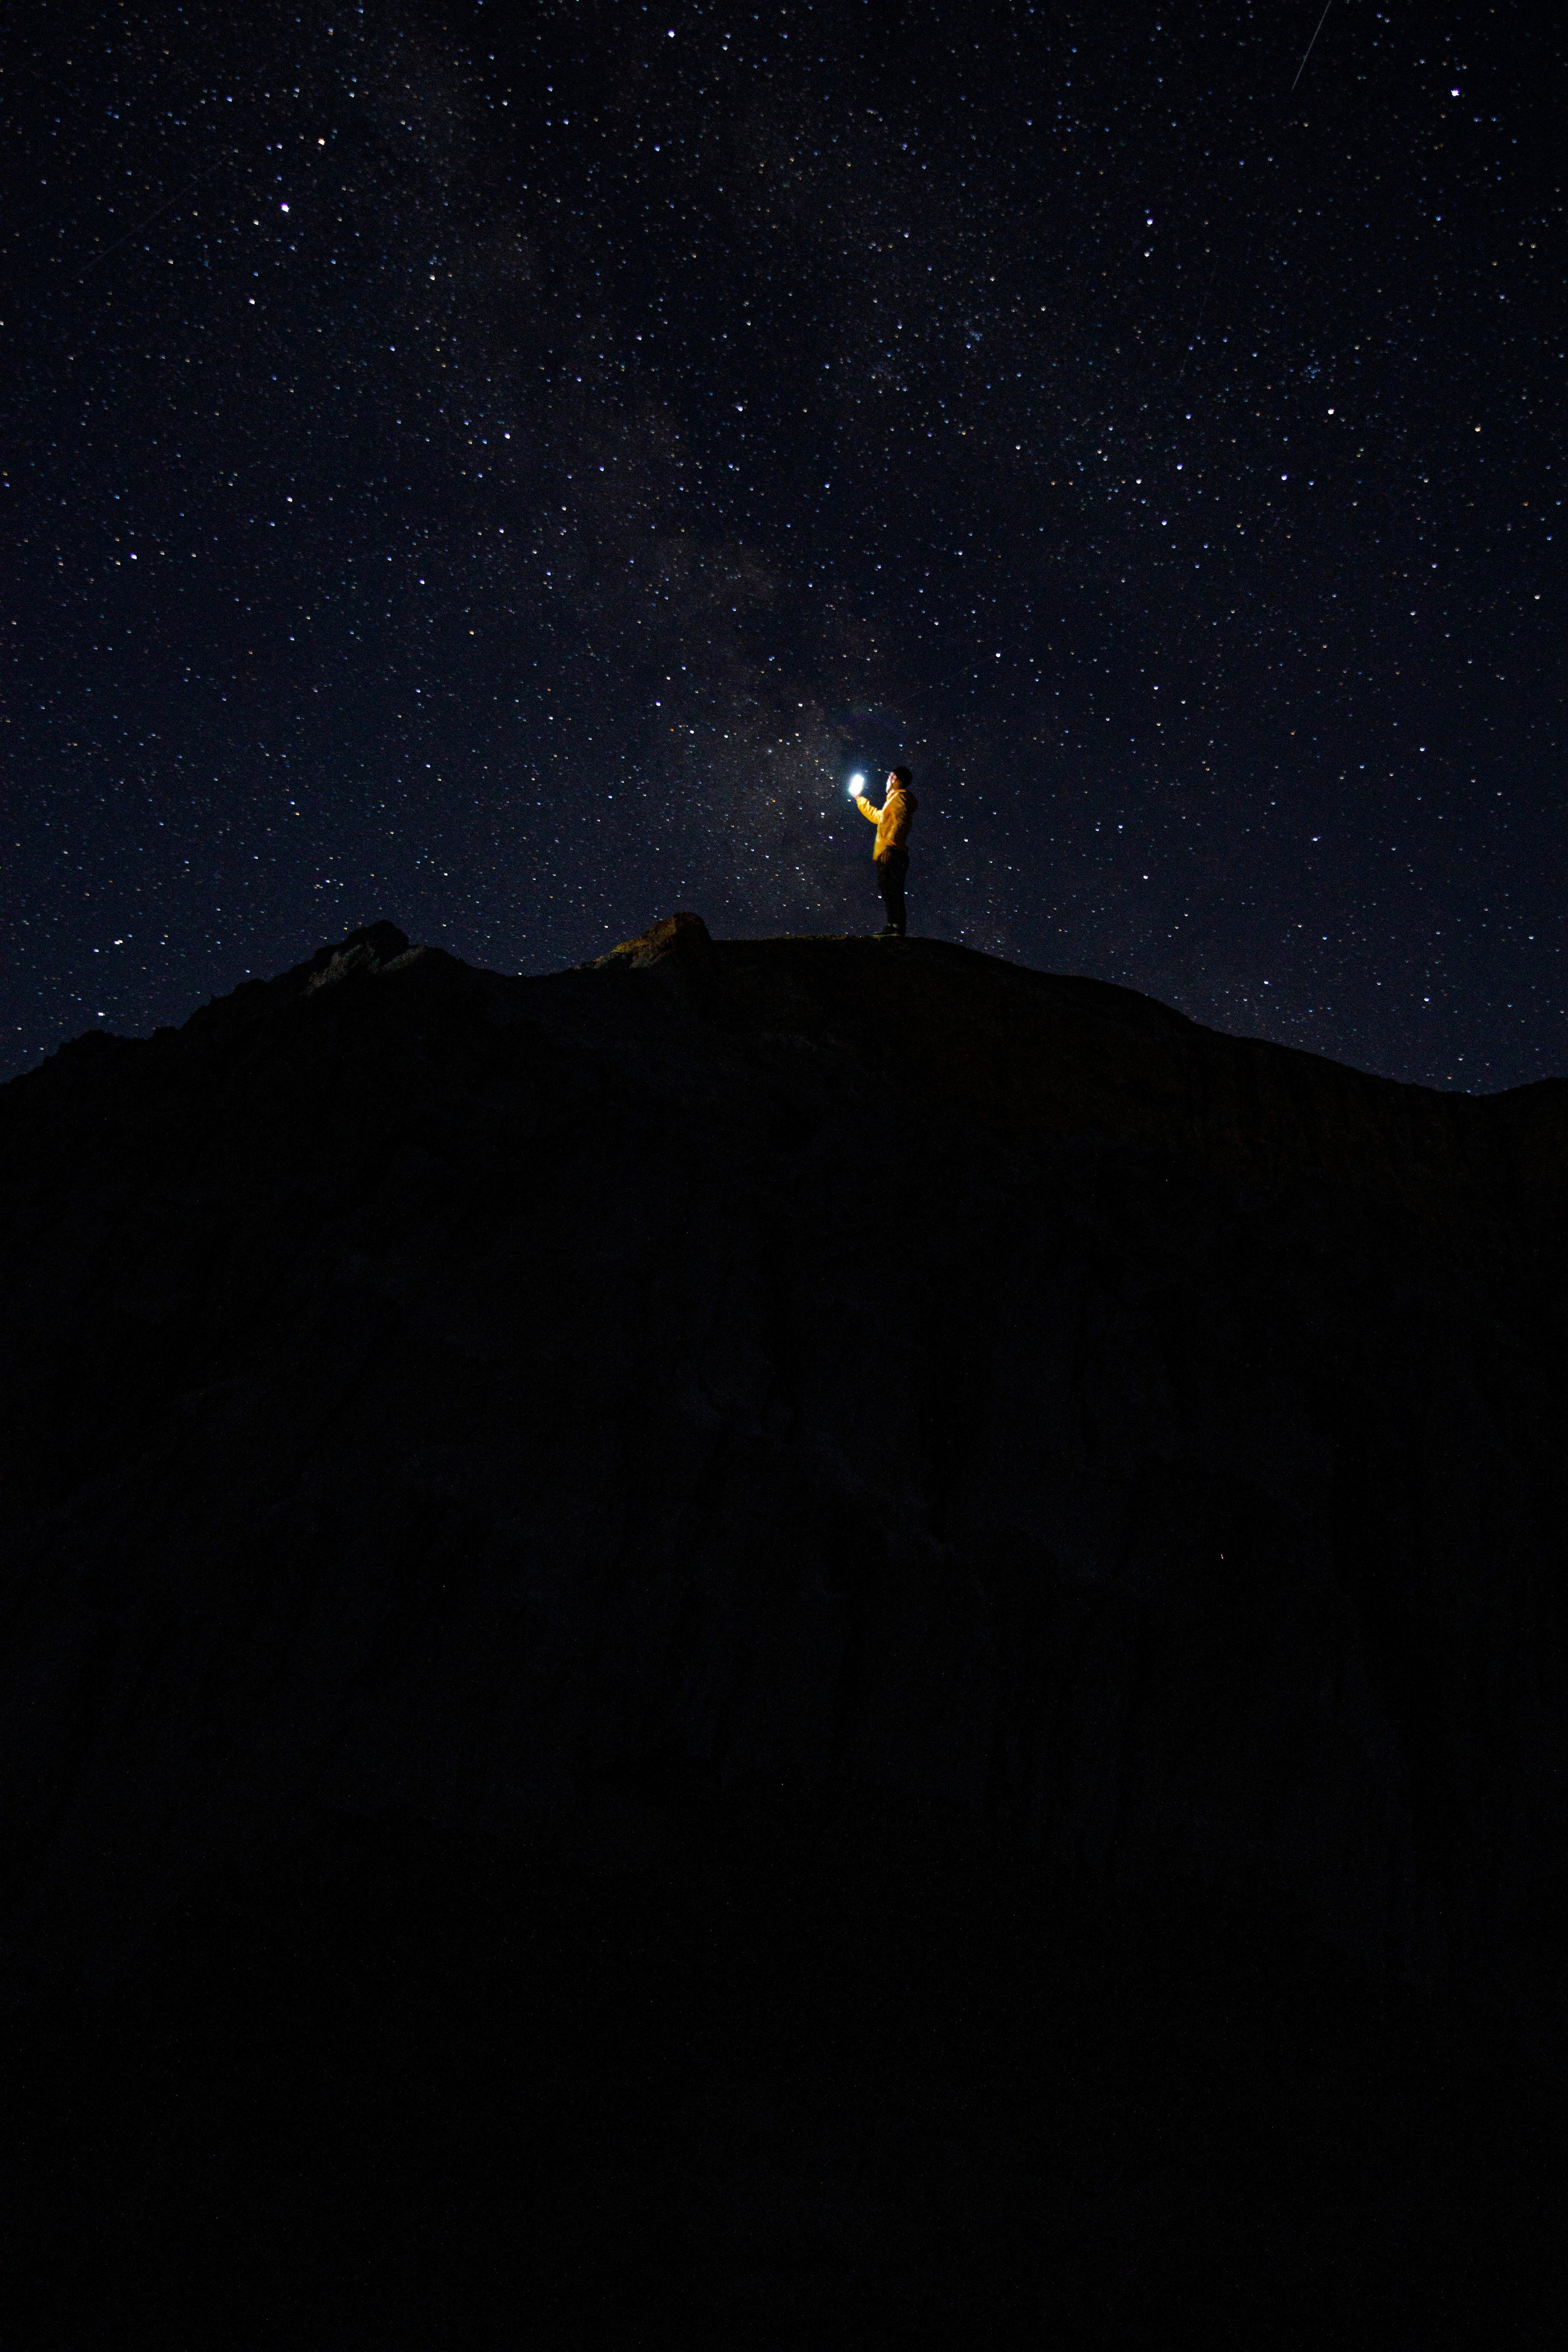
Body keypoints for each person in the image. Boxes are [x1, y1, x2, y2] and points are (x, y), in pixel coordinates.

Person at [853, 766, 918, 937]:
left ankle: (896, 928)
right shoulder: (894, 800)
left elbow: (900, 822)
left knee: (892, 889)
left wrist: (890, 846)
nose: (887, 781)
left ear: (894, 777)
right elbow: (878, 816)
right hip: (891, 851)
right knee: (889, 888)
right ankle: (893, 926)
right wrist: (859, 799)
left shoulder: (900, 798)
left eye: (889, 777)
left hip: (893, 852)